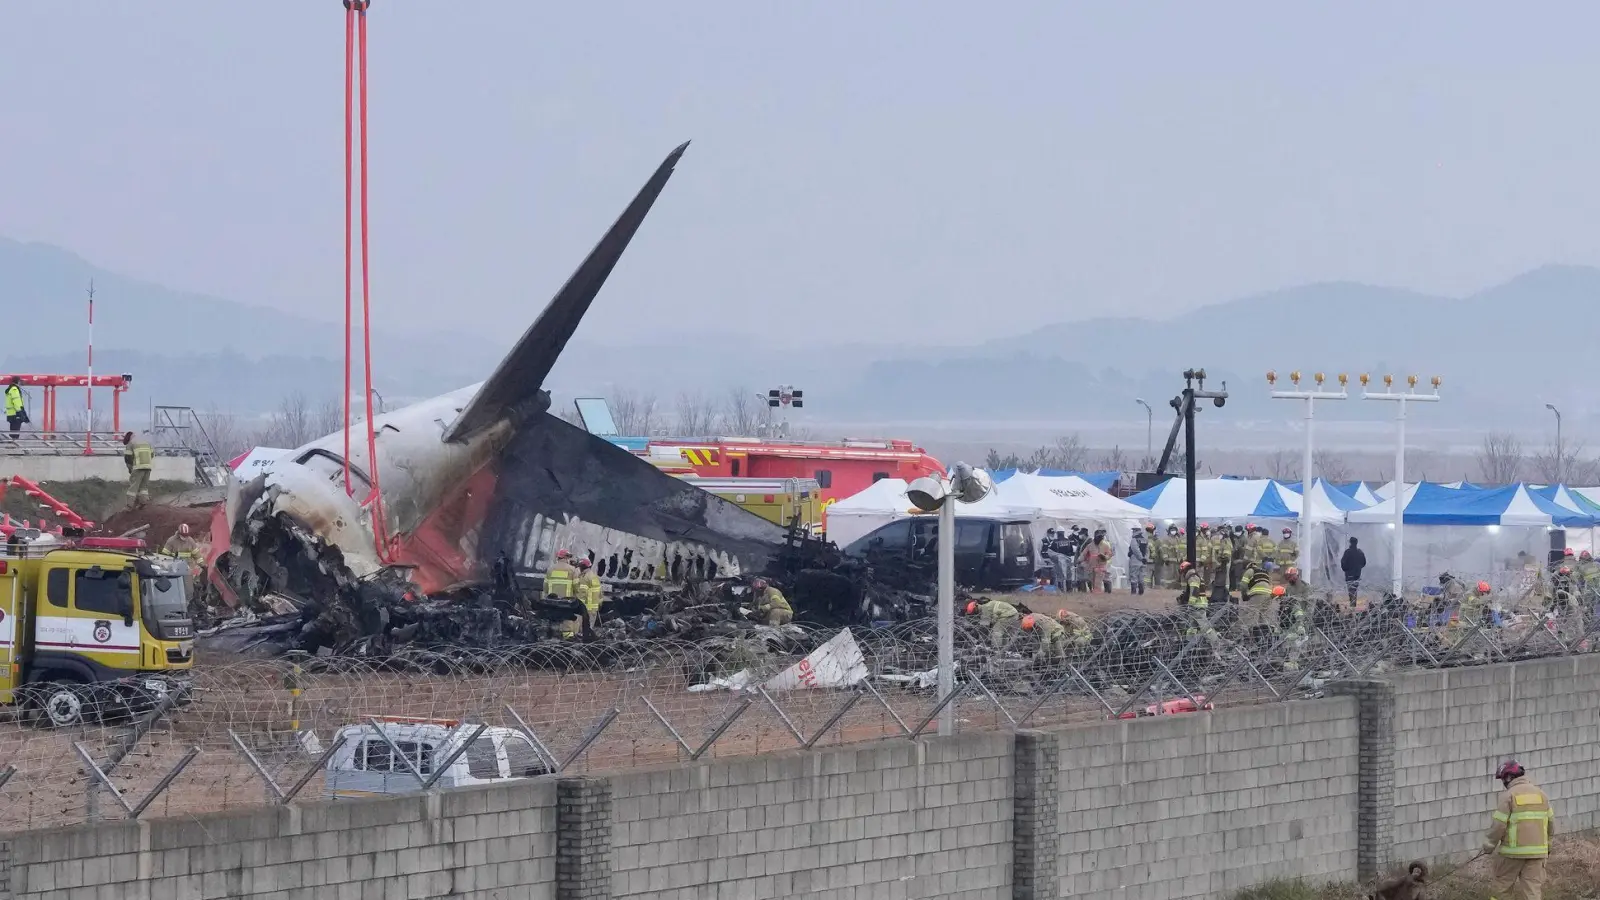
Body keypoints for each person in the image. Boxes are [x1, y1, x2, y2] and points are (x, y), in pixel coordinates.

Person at [1483, 759, 1553, 899]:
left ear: (1509, 777)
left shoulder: (1508, 796)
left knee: (1501, 890)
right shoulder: (1542, 795)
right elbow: (1551, 824)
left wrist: (1488, 846)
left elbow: (1498, 825)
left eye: (1503, 779)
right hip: (1537, 855)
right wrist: (1548, 847)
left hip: (1511, 854)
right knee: (1532, 893)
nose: (1503, 783)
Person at [122, 431, 154, 509]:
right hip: (148, 467)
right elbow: (152, 454)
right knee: (143, 486)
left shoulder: (131, 443)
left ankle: (129, 505)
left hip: (138, 467)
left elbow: (128, 458)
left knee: (133, 487)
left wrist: (130, 469)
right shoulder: (146, 442)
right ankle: (144, 502)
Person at [573, 558, 605, 630]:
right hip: (593, 608)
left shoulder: (585, 578)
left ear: (581, 567)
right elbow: (600, 592)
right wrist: (599, 603)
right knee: (590, 629)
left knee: (583, 629)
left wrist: (577, 605)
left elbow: (582, 594)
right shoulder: (594, 576)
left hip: (587, 608)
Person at [1081, 529, 1112, 594]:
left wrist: (1105, 557)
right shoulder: (1090, 545)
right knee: (1092, 580)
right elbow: (1083, 554)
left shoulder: (1105, 545)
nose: (1100, 539)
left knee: (1100, 582)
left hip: (1101, 566)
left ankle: (1100, 593)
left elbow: (1109, 554)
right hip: (1091, 566)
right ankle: (1094, 591)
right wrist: (1080, 561)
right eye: (1098, 537)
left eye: (1101, 537)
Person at [1341, 537, 1366, 607]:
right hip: (1357, 574)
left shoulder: (1347, 552)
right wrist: (1358, 568)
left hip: (1349, 574)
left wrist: (1346, 569)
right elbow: (1364, 562)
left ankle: (1352, 606)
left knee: (1351, 590)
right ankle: (1353, 605)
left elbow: (1343, 563)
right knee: (1355, 589)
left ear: (1350, 543)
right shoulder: (1360, 552)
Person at [1128, 526, 1150, 596]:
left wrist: (1141, 558)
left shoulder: (1134, 539)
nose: (1133, 532)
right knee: (1141, 577)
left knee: (1133, 576)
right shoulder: (1144, 539)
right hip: (1143, 561)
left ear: (1135, 531)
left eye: (1133, 530)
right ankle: (1141, 593)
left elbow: (1135, 550)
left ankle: (1133, 593)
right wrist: (1145, 558)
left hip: (1135, 560)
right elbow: (1147, 550)